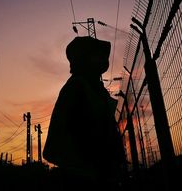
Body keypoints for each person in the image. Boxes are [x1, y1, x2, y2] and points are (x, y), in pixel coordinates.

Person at [43, 36, 127, 190]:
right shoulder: (77, 87)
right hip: (84, 179)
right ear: (85, 59)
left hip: (97, 174)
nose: (103, 59)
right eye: (96, 54)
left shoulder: (93, 87)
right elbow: (62, 137)